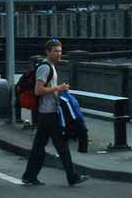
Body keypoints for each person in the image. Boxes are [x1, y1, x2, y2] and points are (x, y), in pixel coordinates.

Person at [22, 38, 88, 186]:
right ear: (48, 52)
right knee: (62, 146)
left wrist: (58, 88)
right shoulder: (46, 68)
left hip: (46, 113)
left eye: (60, 51)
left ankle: (29, 175)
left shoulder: (50, 66)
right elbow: (38, 90)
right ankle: (72, 177)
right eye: (55, 51)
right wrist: (59, 88)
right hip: (49, 113)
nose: (59, 54)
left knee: (39, 147)